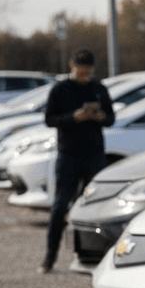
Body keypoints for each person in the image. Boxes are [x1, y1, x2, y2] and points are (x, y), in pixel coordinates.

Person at [40, 48, 115, 273]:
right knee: (60, 204)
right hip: (69, 154)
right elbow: (49, 119)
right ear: (72, 66)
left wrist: (101, 117)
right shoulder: (61, 89)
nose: (84, 74)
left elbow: (111, 118)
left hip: (94, 154)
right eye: (81, 70)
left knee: (95, 207)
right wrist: (73, 117)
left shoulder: (99, 89)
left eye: (88, 71)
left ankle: (93, 257)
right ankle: (49, 257)